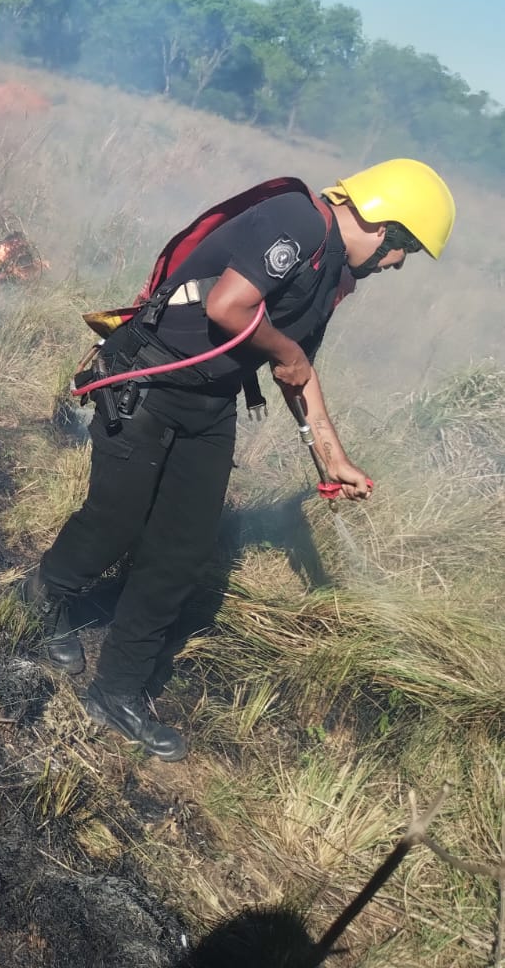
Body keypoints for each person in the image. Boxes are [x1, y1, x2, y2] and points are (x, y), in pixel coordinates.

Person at [24, 160, 456, 762]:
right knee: (115, 521)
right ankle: (41, 603)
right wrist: (285, 352)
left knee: (182, 550)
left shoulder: (332, 273)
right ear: (383, 223)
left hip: (209, 404)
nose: (398, 263)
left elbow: (296, 368)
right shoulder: (297, 221)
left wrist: (331, 459)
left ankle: (117, 689)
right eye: (404, 246)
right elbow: (230, 307)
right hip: (149, 379)